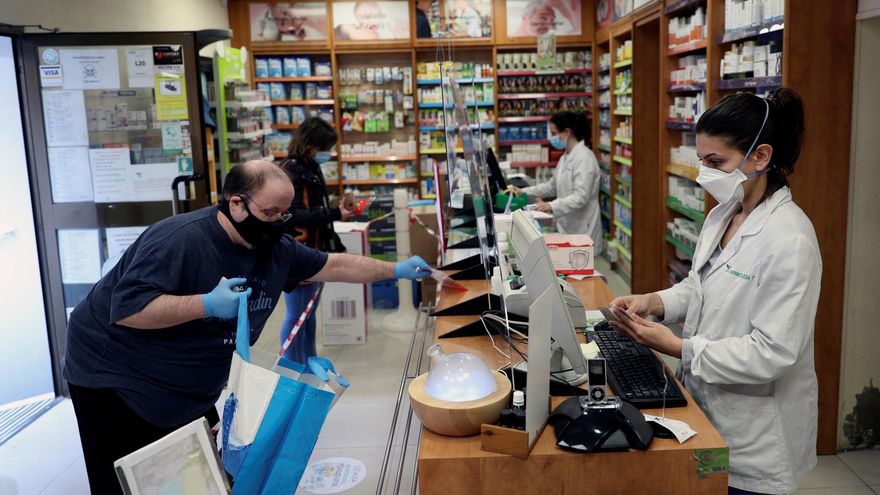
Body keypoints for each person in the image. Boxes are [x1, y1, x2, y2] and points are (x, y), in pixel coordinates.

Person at [63, 160, 430, 495]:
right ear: (236, 203)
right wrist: (205, 304)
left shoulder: (275, 248)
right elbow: (128, 309)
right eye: (269, 213)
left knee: (198, 475)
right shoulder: (181, 239)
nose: (278, 223)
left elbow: (334, 265)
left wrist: (395, 269)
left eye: (284, 214)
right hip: (114, 373)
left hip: (188, 383)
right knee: (131, 479)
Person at [608, 88, 820, 495]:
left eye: (716, 162)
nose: (704, 173)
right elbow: (700, 285)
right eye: (702, 160)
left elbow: (773, 352)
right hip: (707, 410)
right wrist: (654, 301)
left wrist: (679, 347)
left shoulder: (789, 239)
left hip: (755, 437)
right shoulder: (724, 214)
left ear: (760, 156)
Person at [277, 118, 350, 364]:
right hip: (298, 251)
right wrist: (334, 213)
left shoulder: (310, 167)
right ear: (309, 145)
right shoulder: (290, 170)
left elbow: (316, 209)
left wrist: (334, 242)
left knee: (308, 314)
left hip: (315, 251)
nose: (328, 153)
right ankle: (293, 370)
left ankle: (310, 365)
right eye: (324, 148)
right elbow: (291, 215)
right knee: (297, 315)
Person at [517, 111, 603, 255]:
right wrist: (523, 191)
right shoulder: (566, 156)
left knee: (582, 265)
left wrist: (550, 205)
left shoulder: (585, 158)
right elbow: (552, 186)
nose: (552, 138)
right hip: (567, 224)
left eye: (554, 133)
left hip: (584, 227)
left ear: (567, 132)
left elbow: (580, 197)